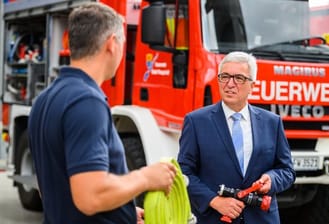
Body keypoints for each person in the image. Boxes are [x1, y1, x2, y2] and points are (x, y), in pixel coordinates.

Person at [28, 3, 176, 224]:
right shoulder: (87, 102)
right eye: (123, 42)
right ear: (111, 44)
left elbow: (51, 188)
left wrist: (121, 211)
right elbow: (89, 196)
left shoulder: (44, 99)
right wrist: (145, 177)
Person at [177, 51, 295, 224]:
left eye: (238, 78)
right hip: (214, 218)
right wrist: (214, 201)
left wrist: (272, 179)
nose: (230, 84)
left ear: (252, 85)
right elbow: (184, 173)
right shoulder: (196, 122)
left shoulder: (272, 122)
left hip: (261, 218)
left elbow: (287, 171)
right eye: (224, 76)